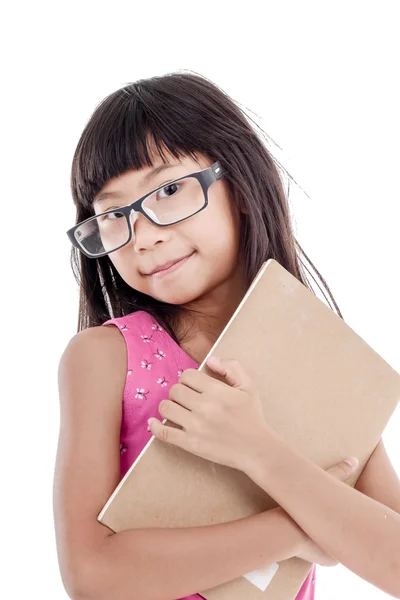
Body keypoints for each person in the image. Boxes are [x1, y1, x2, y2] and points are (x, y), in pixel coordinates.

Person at [53, 72, 400, 600]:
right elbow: (93, 575)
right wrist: (300, 525)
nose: (144, 237)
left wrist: (258, 450)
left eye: (168, 190)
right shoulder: (106, 357)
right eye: (113, 214)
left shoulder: (314, 356)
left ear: (238, 184)